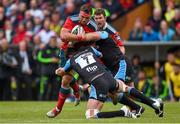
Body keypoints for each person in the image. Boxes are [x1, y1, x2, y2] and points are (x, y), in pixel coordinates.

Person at [55, 46, 164, 119]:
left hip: (98, 83)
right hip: (108, 76)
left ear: (70, 55)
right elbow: (100, 55)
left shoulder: (71, 60)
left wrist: (59, 70)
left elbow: (62, 72)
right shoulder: (90, 49)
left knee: (90, 115)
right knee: (124, 89)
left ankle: (123, 112)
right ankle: (152, 103)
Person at [93, 8, 164, 117]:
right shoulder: (94, 31)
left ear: (105, 18)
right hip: (112, 66)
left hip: (120, 63)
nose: (98, 20)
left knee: (121, 90)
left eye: (100, 18)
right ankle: (154, 103)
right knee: (127, 91)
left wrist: (116, 58)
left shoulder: (111, 31)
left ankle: (141, 107)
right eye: (96, 18)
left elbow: (122, 48)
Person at [46, 4, 108, 118]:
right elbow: (63, 35)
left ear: (90, 17)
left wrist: (88, 39)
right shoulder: (71, 19)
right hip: (67, 51)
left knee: (69, 79)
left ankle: (72, 97)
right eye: (82, 16)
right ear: (79, 13)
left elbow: (97, 38)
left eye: (86, 18)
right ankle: (64, 103)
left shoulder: (93, 26)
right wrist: (79, 38)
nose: (84, 19)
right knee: (65, 79)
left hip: (83, 53)